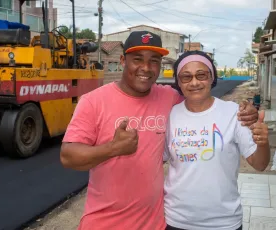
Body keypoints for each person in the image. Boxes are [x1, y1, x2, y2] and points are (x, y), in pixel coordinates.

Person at [60, 31, 259, 230]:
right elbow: (68, 157)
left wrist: (245, 109)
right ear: (122, 60)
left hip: (154, 223)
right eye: (137, 59)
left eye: (154, 61)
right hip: (103, 223)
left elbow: (203, 104)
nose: (146, 68)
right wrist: (112, 148)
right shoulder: (93, 102)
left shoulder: (169, 97)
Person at [163, 50, 270, 230]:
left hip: (224, 222)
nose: (195, 82)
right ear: (178, 82)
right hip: (176, 220)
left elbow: (259, 164)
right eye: (186, 77)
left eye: (201, 75)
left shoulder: (234, 113)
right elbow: (157, 161)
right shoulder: (170, 115)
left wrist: (263, 142)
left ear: (212, 77)